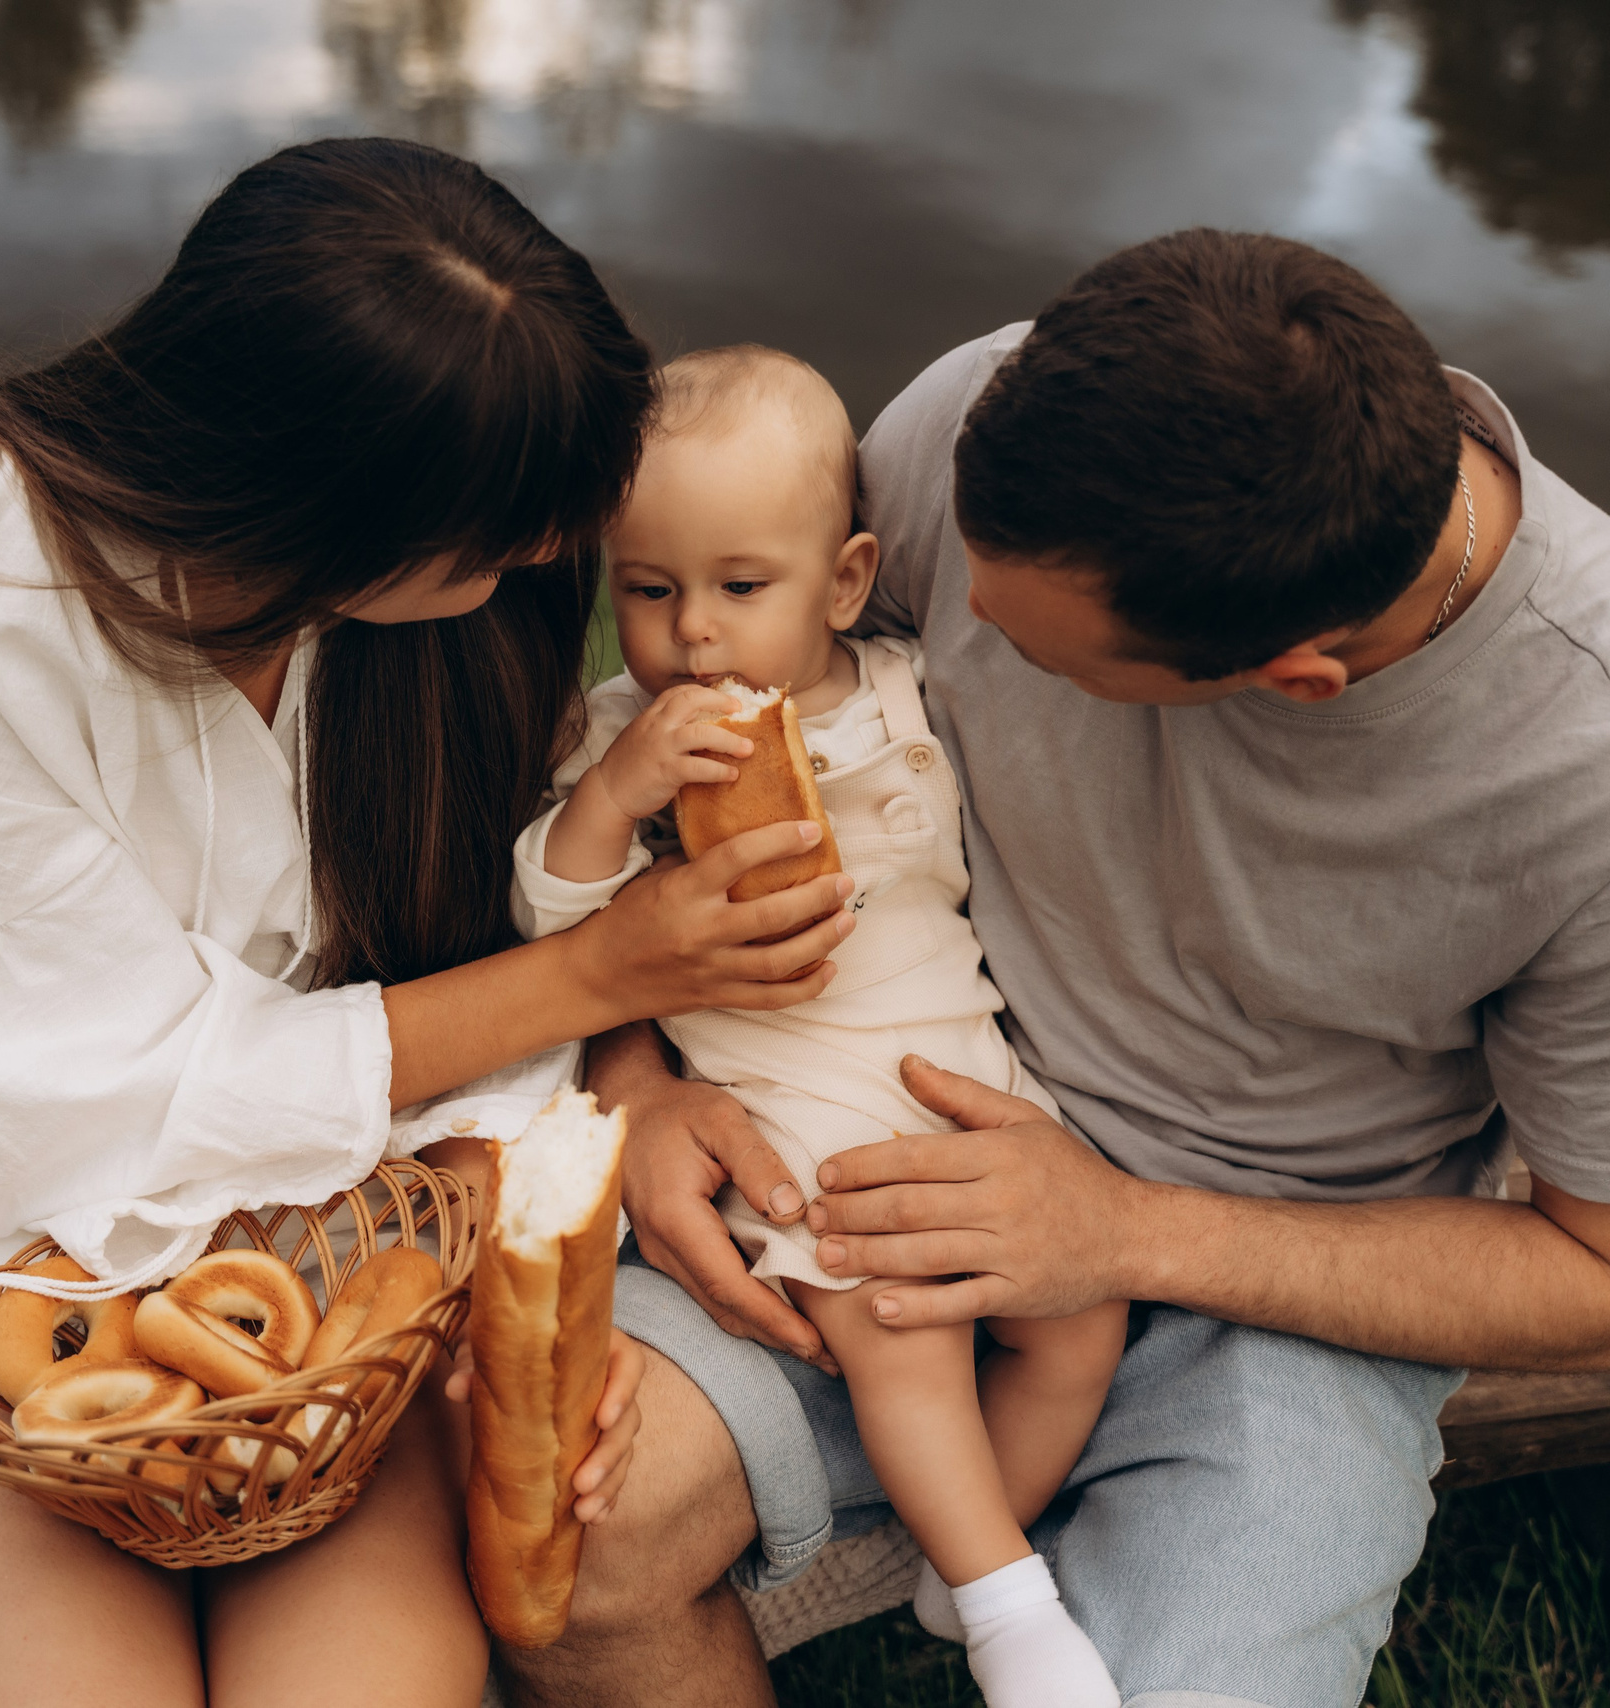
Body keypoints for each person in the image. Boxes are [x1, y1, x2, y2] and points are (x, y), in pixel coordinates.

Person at [498, 230, 1610, 1708]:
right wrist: (635, 1078)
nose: (959, 615)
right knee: (571, 1555)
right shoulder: (990, 436)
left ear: (1292, 681)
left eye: (1037, 652)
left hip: (1286, 1290)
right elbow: (696, 807)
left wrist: (1118, 1235)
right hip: (844, 1157)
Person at [0, 138, 857, 1708]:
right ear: (317, 511)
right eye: (506, 538)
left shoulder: (465, 578)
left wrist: (528, 1227)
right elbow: (60, 1098)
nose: (548, 563)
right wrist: (594, 969)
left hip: (354, 1263)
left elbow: (482, 941)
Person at [511, 346, 1128, 1708]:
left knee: (1081, 1324)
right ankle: (1009, 1606)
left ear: (845, 581)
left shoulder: (911, 690)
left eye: (742, 588)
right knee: (899, 1328)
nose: (696, 637)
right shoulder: (628, 738)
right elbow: (553, 910)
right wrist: (616, 796)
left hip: (966, 1080)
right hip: (798, 1123)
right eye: (650, 592)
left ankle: (943, 1560)